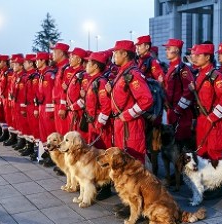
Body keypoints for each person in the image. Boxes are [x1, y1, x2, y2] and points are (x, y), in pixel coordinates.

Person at [106, 40, 153, 220]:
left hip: (130, 126)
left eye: (116, 53)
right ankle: (130, 202)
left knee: (134, 164)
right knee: (124, 165)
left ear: (125, 53)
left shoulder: (132, 74)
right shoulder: (123, 72)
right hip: (122, 125)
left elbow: (146, 100)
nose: (114, 56)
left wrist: (127, 115)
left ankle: (140, 207)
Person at [191, 43, 222, 199]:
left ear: (207, 57)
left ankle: (217, 188)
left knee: (215, 152)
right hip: (203, 119)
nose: (195, 57)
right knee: (202, 152)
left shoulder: (215, 76)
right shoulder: (200, 74)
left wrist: (213, 117)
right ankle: (208, 183)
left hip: (213, 121)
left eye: (199, 55)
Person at [135, 35, 165, 175]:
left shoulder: (152, 62)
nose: (137, 48)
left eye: (139, 45)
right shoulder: (139, 62)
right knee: (145, 145)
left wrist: (157, 113)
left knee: (153, 146)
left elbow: (160, 87)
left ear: (146, 47)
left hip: (152, 112)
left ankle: (154, 175)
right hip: (143, 111)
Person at [162, 38, 194, 151]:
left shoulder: (183, 69)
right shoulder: (171, 67)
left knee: (182, 144)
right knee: (174, 143)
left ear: (176, 50)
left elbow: (188, 91)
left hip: (182, 115)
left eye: (168, 49)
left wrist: (178, 109)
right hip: (172, 112)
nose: (166, 51)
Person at [84, 51, 112, 149]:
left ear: (95, 66)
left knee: (101, 151)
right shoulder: (93, 81)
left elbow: (106, 105)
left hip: (98, 124)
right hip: (92, 122)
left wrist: (99, 123)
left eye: (88, 63)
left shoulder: (101, 82)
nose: (86, 65)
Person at [61, 47, 87, 139]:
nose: (69, 59)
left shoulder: (83, 74)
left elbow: (85, 97)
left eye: (72, 57)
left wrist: (73, 107)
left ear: (79, 60)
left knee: (79, 137)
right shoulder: (68, 71)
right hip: (70, 110)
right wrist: (63, 107)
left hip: (78, 111)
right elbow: (65, 92)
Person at [35, 52, 56, 161]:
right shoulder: (42, 74)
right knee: (43, 132)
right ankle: (47, 152)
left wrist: (50, 111)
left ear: (43, 61)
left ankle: (53, 156)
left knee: (50, 133)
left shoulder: (49, 75)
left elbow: (50, 95)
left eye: (38, 60)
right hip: (42, 107)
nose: (36, 62)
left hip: (48, 108)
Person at [20, 54, 40, 158]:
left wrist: (36, 108)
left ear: (31, 63)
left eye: (25, 62)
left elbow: (37, 94)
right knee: (28, 127)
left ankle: (37, 150)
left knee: (35, 129)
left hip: (33, 105)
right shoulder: (27, 75)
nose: (23, 64)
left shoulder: (35, 76)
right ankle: (30, 146)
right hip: (28, 105)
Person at [51, 42, 70, 136]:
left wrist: (63, 107)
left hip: (62, 106)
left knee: (63, 134)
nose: (52, 55)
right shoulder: (59, 68)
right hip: (57, 105)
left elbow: (65, 90)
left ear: (61, 53)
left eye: (54, 52)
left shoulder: (66, 68)